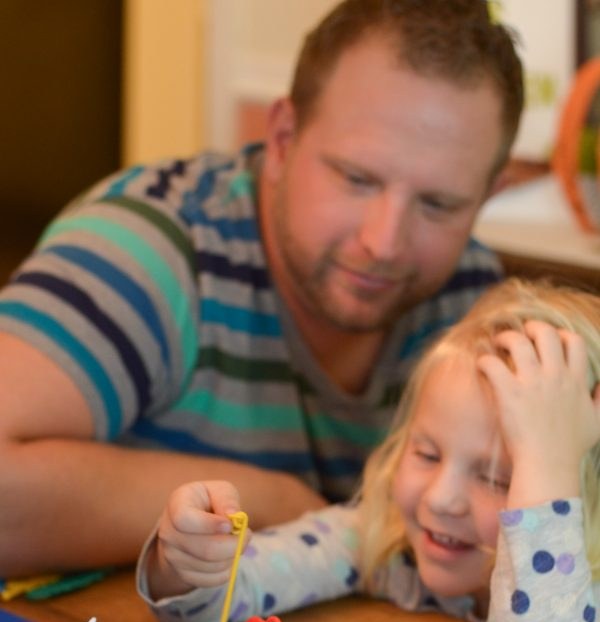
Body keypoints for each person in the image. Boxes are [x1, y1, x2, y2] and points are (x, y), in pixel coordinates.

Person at [0, 0, 523, 575]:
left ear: (488, 193)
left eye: (440, 204)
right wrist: (275, 503)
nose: (386, 242)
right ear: (281, 136)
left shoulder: (469, 295)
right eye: (356, 178)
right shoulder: (152, 250)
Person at [137, 278, 600, 622]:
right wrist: (185, 562)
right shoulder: (387, 537)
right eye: (426, 453)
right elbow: (201, 613)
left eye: (500, 479)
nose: (441, 499)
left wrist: (547, 457)